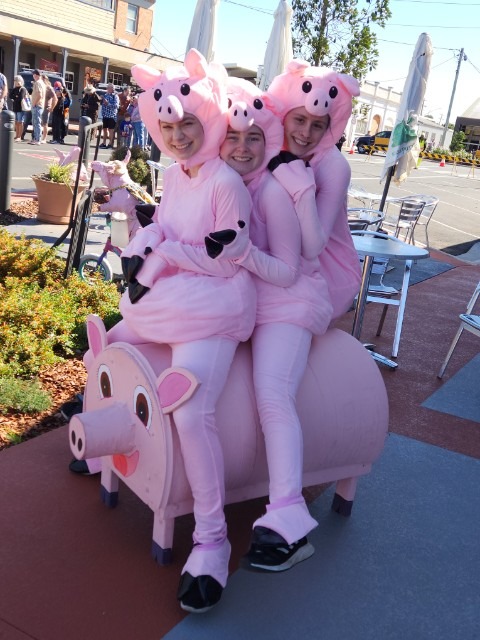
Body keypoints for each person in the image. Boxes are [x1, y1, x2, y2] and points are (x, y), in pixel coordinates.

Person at [82, 49, 257, 614]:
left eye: (188, 125)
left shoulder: (227, 183)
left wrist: (163, 254)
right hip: (171, 300)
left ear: (208, 119)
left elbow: (228, 259)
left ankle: (211, 540)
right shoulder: (178, 175)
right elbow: (167, 225)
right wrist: (149, 240)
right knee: (110, 349)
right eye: (169, 127)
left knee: (190, 412)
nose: (178, 136)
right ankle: (99, 444)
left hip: (214, 309)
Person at [216, 78, 333, 572]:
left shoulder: (272, 190)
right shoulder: (223, 183)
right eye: (232, 136)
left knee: (272, 394)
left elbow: (289, 268)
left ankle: (289, 520)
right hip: (244, 300)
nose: (242, 147)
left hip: (286, 300)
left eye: (254, 137)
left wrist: (240, 253)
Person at [268, 61, 362, 321]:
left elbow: (314, 247)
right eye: (299, 119)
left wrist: (303, 191)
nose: (306, 133)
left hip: (326, 273)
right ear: (284, 115)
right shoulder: (269, 149)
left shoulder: (334, 166)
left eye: (318, 125)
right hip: (280, 260)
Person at [9, 75, 28, 141]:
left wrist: (15, 97)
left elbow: (20, 98)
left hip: (21, 108)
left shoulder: (23, 89)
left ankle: (19, 136)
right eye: (15, 80)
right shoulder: (15, 89)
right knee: (16, 122)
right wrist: (15, 96)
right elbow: (10, 96)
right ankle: (17, 135)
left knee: (20, 122)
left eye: (16, 80)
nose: (15, 82)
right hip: (15, 107)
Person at [100, 83, 119, 149]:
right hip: (105, 116)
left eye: (113, 88)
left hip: (112, 116)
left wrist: (108, 103)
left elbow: (116, 106)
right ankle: (104, 143)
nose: (112, 89)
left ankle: (110, 144)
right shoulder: (105, 95)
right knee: (104, 130)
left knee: (111, 130)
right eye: (110, 87)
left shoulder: (115, 96)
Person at [40, 75, 57, 144]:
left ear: (46, 80)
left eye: (43, 79)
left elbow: (55, 98)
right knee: (38, 123)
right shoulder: (41, 87)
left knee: (45, 124)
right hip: (40, 107)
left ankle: (44, 138)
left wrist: (52, 107)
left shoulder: (49, 88)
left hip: (46, 108)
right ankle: (37, 137)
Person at [30, 69, 45, 145]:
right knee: (36, 122)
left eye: (33, 74)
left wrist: (34, 103)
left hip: (37, 105)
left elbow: (40, 95)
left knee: (36, 123)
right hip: (39, 105)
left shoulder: (38, 83)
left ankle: (37, 139)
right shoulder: (42, 82)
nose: (33, 76)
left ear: (35, 75)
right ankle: (36, 138)